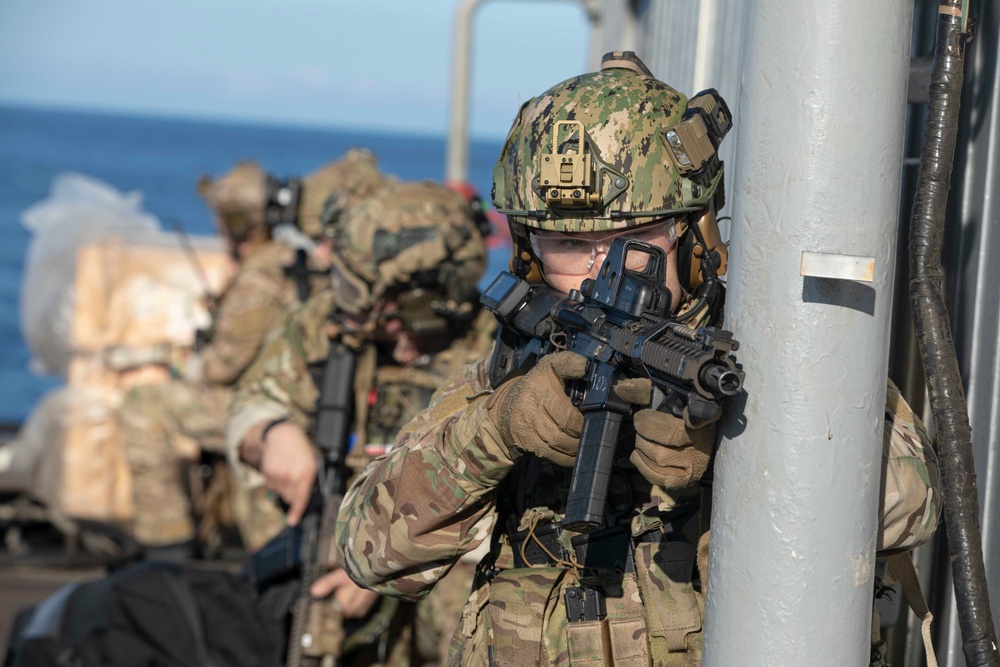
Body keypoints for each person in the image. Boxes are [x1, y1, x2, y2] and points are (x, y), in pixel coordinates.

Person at [335, 52, 941, 666]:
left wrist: (740, 457)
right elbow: (368, 552)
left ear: (696, 234)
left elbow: (910, 508)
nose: (603, 272)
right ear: (528, 251)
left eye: (635, 241)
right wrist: (496, 429)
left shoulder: (780, 352)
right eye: (570, 244)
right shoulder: (517, 364)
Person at [226, 180, 497, 665]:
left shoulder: (496, 355)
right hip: (328, 542)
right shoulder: (329, 324)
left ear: (429, 297)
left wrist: (385, 564)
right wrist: (270, 432)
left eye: (375, 302)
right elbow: (253, 396)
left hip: (441, 565)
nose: (355, 315)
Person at [120, 153, 388, 556]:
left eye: (223, 219)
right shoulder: (294, 263)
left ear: (237, 223)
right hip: (310, 396)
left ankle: (166, 546)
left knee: (143, 405)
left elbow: (221, 368)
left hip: (276, 404)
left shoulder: (260, 278)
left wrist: (184, 362)